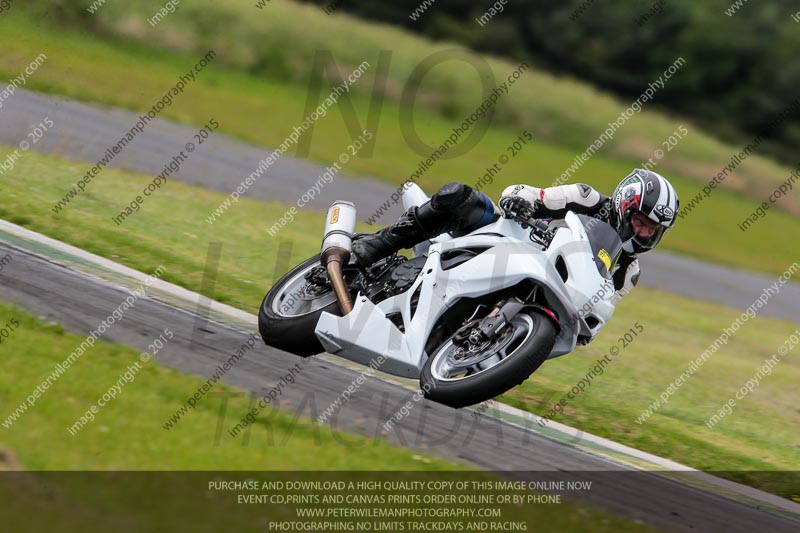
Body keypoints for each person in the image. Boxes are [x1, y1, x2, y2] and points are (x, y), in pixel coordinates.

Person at [352, 169, 679, 302]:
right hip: (505, 242)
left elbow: (601, 304)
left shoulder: (628, 272)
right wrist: (518, 202)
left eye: (653, 229)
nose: (644, 232)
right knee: (460, 197)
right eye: (641, 221)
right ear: (625, 204)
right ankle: (378, 244)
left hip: (536, 294)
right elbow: (529, 193)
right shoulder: (586, 198)